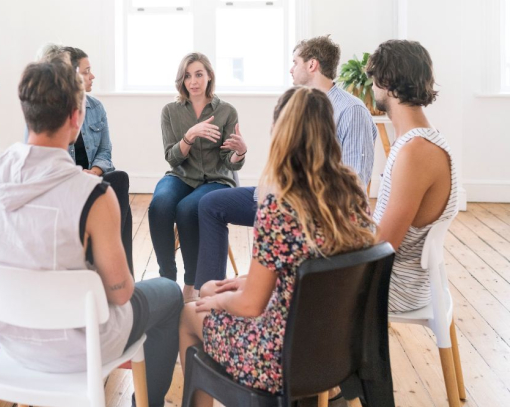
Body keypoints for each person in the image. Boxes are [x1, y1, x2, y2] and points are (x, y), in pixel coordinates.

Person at [0, 59, 183, 407]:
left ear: (26, 112)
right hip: (80, 347)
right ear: (76, 117)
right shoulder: (92, 195)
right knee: (170, 293)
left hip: (8, 338)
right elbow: (122, 293)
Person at [179, 87, 376, 406]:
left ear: (280, 133)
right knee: (213, 291)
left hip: (280, 358)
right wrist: (241, 283)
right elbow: (311, 269)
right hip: (339, 348)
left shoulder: (280, 207)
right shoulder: (353, 196)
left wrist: (225, 299)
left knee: (192, 312)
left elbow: (250, 307)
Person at [193, 35, 378, 292]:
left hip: (306, 210)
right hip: (280, 197)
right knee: (210, 204)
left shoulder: (351, 110)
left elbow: (355, 181)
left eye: (295, 61)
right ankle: (207, 290)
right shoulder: (298, 104)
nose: (291, 68)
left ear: (312, 65)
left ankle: (237, 295)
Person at [367, 40, 457, 313]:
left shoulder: (415, 151)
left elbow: (384, 245)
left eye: (373, 81)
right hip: (394, 279)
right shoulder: (418, 141)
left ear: (386, 82)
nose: (371, 88)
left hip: (393, 287)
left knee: (291, 280)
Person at [149, 52, 246, 301]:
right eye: (188, 76)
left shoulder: (226, 111)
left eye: (199, 74)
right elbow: (172, 158)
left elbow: (229, 163)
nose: (193, 81)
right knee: (159, 205)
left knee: (187, 209)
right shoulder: (170, 111)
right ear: (181, 80)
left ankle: (190, 284)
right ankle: (166, 278)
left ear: (209, 76)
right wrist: (189, 136)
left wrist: (239, 152)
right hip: (181, 174)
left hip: (215, 179)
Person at [64, 46, 134, 272]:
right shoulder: (54, 111)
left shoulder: (95, 108)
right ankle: (117, 270)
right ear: (71, 75)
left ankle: (118, 268)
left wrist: (93, 173)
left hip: (93, 178)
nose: (92, 76)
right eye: (86, 71)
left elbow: (105, 152)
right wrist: (78, 175)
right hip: (67, 184)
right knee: (119, 186)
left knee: (119, 180)